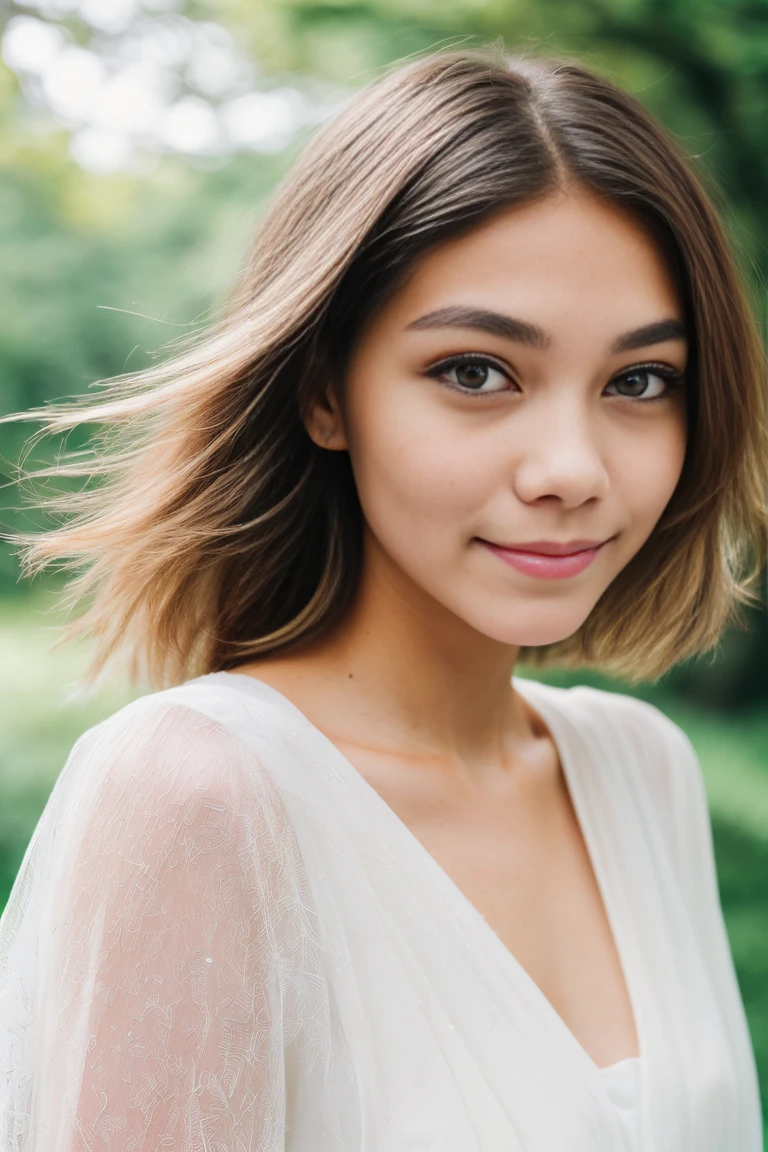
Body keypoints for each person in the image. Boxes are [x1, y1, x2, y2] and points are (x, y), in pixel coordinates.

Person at [0, 45, 765, 1152]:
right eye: (475, 371)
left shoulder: (644, 770)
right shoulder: (203, 795)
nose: (573, 468)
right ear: (325, 391)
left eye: (639, 382)